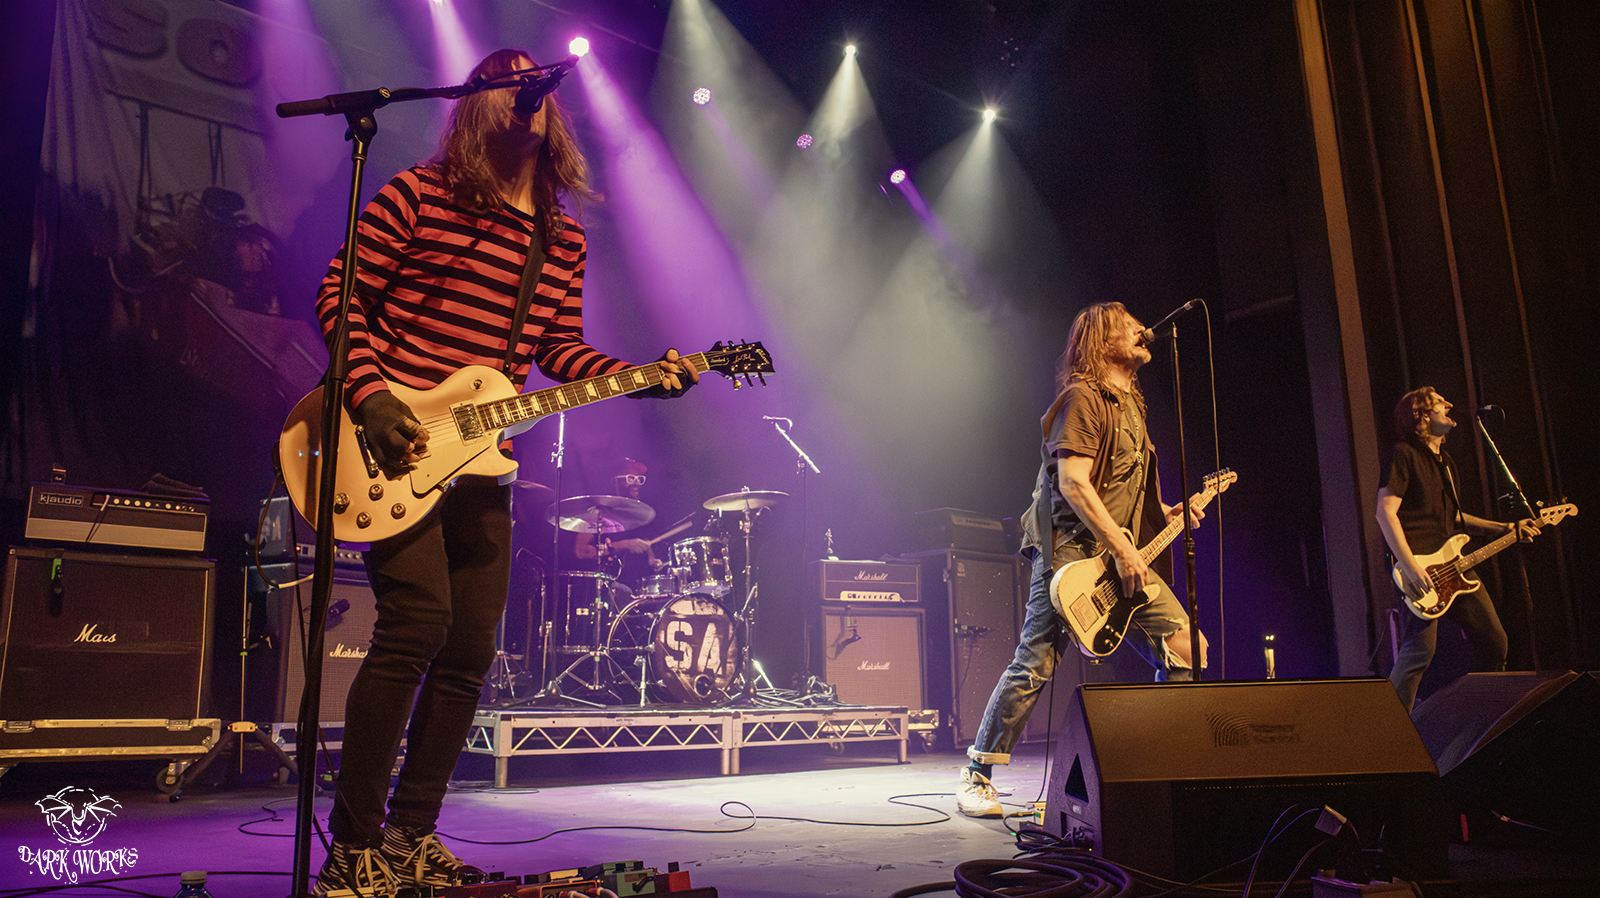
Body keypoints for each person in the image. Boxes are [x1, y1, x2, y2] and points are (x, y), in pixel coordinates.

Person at [310, 49, 699, 896]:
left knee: (470, 650)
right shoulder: (419, 194)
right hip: (394, 446)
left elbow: (557, 347)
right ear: (477, 103)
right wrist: (372, 398)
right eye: (509, 78)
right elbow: (339, 292)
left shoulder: (561, 236)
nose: (529, 88)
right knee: (415, 627)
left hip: (485, 463)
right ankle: (352, 845)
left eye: (537, 82)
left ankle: (411, 837)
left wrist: (639, 375)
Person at [957, 301, 1207, 819]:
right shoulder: (1082, 398)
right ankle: (976, 774)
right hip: (1070, 551)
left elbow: (1121, 490)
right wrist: (1121, 547)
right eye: (1127, 325)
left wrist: (1164, 512)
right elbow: (1073, 482)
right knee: (1037, 661)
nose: (1141, 329)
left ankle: (1156, 766)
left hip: (1121, 555)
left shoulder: (1132, 407)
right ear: (1100, 340)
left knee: (1188, 647)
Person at [1375, 387, 1536, 712]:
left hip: (1456, 566)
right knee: (1419, 653)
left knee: (1495, 641)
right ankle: (1390, 725)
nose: (1449, 404)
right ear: (1421, 415)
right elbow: (1384, 512)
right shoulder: (1403, 454)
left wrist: (1506, 528)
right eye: (1439, 402)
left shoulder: (1446, 463)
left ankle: (1480, 714)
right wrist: (1410, 566)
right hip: (1421, 570)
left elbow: (1456, 519)